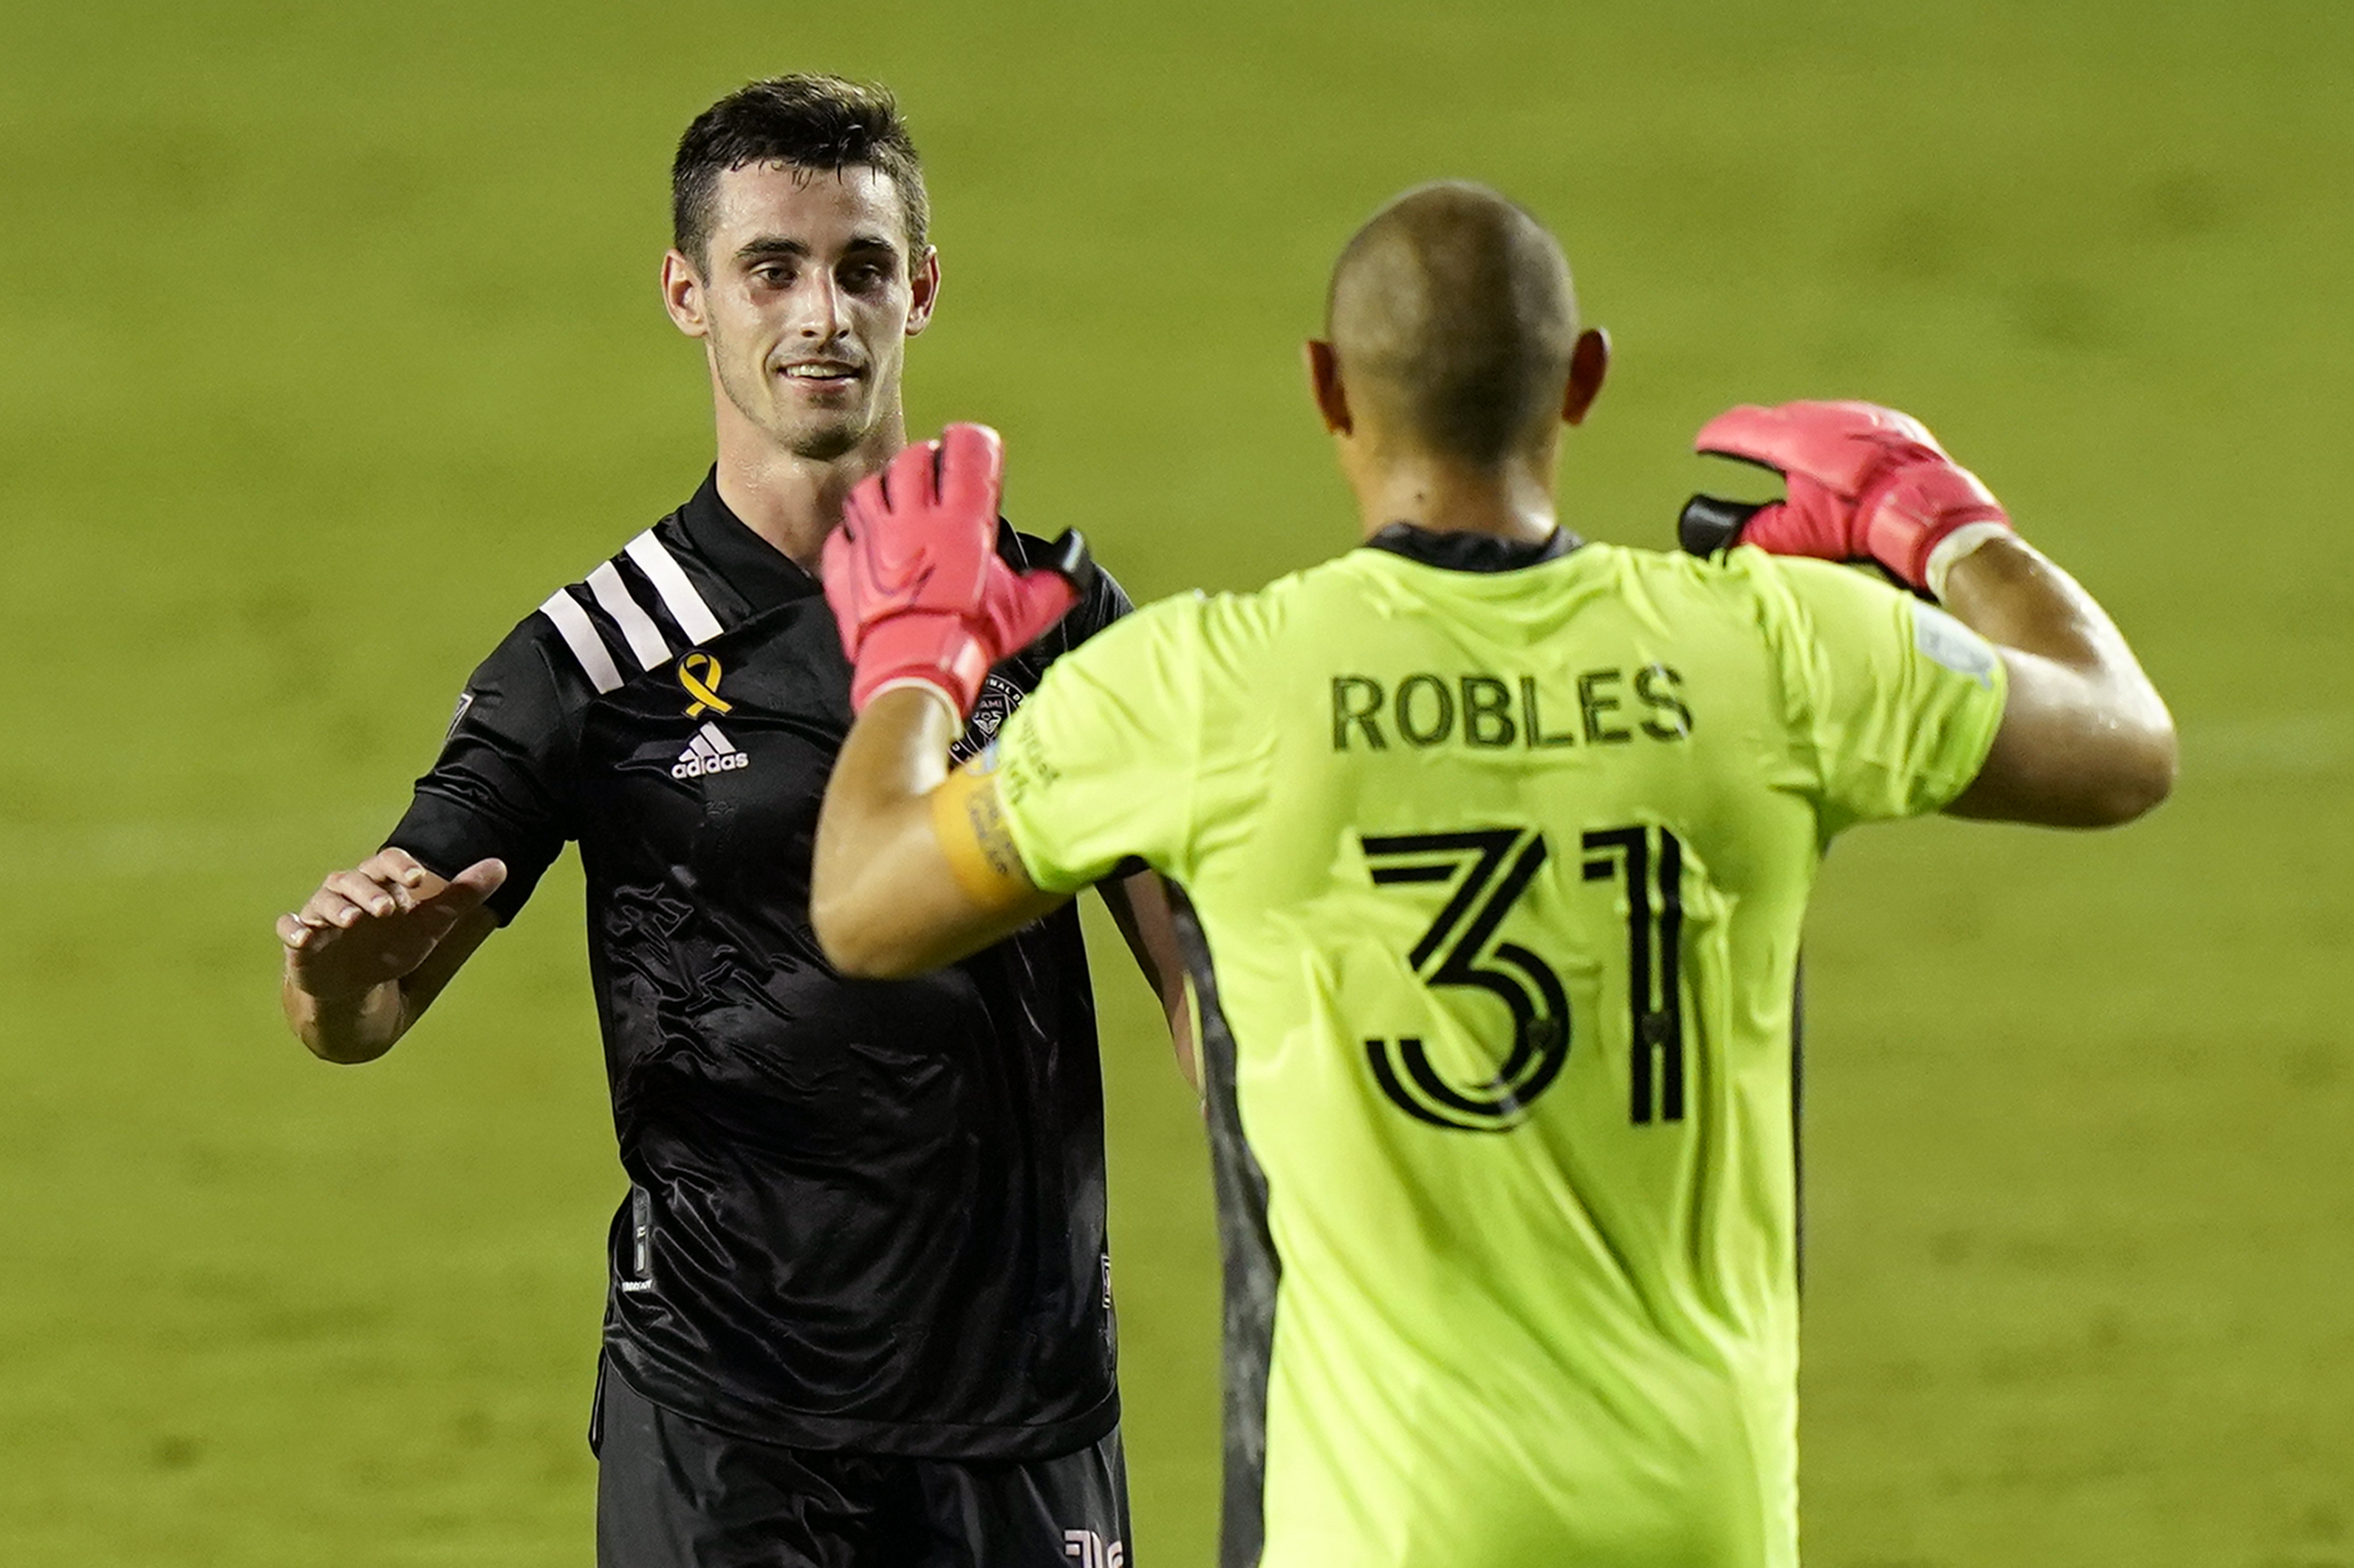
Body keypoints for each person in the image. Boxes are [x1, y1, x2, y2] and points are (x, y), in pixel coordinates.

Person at [802, 182, 2175, 1567]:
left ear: (1328, 389)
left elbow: (865, 908)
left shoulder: (1208, 686)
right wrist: (1940, 528)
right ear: (1582, 380)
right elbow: (2122, 742)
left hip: (1382, 1529)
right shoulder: (1770, 649)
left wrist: (917, 658)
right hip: (1702, 1516)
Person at [275, 75, 1187, 1568]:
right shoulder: (593, 659)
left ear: (924, 289)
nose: (821, 315)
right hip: (726, 1415)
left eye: (861, 269)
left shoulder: (1052, 623)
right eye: (772, 269)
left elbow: (1201, 975)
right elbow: (369, 1003)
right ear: (688, 294)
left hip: (1018, 1403)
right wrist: (329, 976)